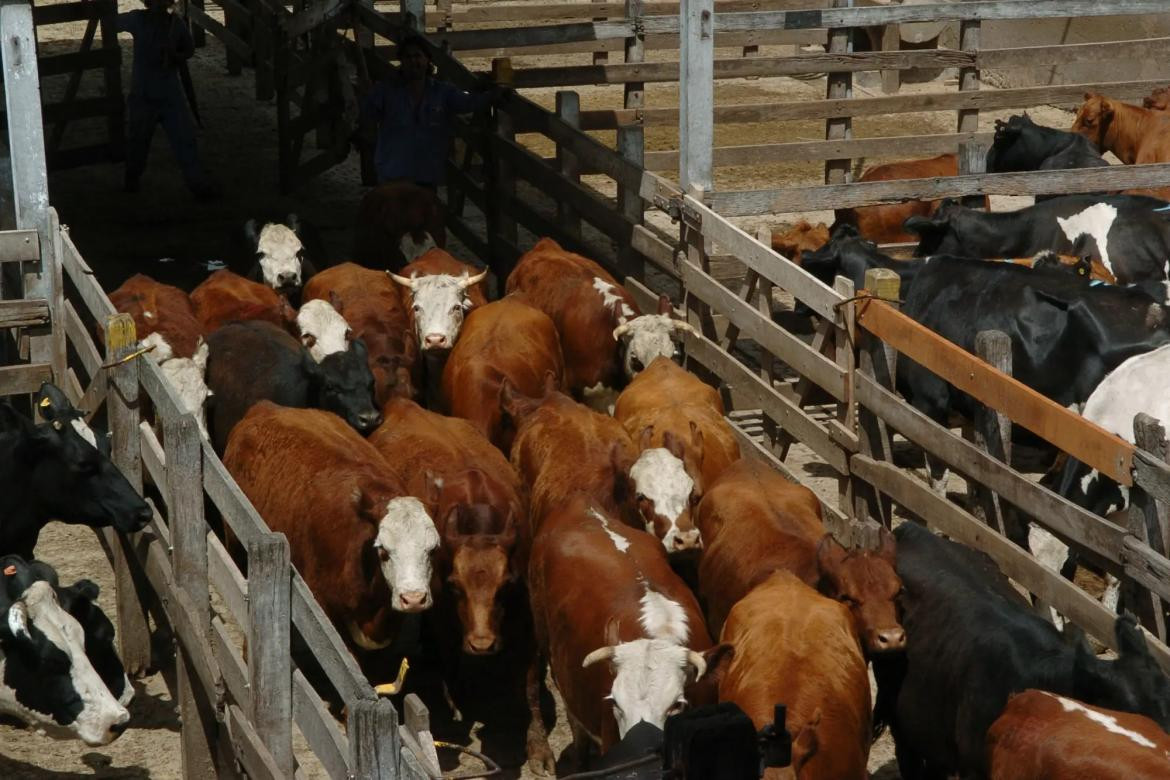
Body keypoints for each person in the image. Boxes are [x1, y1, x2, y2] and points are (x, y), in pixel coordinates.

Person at [358, 34, 509, 188]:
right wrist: (366, 95)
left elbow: (468, 103)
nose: (413, 61)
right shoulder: (386, 91)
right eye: (407, 57)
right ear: (401, 61)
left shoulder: (442, 92)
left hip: (426, 173)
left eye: (418, 56)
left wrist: (493, 95)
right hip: (393, 174)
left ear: (427, 60)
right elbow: (368, 115)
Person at [117, 0, 219, 201]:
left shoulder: (174, 24)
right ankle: (132, 178)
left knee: (184, 140)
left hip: (165, 93)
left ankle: (197, 184)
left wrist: (176, 55)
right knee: (138, 142)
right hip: (146, 94)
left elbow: (189, 49)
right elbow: (112, 22)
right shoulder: (138, 19)